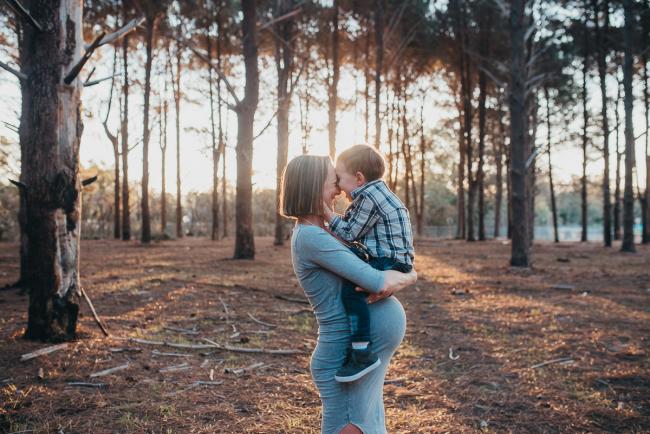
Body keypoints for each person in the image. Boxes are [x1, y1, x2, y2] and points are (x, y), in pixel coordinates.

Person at [281, 154, 417, 434]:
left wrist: (403, 276)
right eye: (333, 179)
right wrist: (410, 276)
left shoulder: (326, 230)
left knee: (369, 425)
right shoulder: (310, 237)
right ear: (313, 184)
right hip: (344, 357)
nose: (340, 187)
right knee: (354, 426)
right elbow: (376, 281)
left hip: (359, 360)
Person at [322, 144, 414, 383]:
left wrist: (324, 212)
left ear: (359, 178)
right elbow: (348, 228)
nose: (339, 188)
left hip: (388, 259)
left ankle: (362, 351)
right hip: (392, 257)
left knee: (352, 292)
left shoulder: (369, 196)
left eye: (340, 179)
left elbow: (350, 232)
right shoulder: (376, 193)